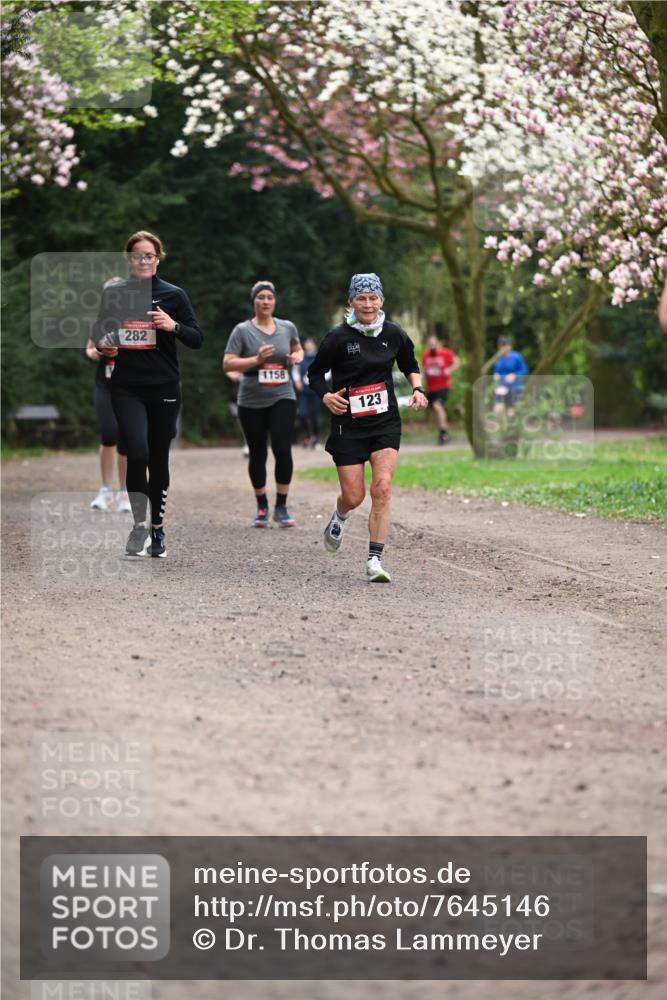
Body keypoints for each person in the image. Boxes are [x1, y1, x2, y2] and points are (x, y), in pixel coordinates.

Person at [307, 272, 428, 583]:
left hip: (385, 422)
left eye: (373, 298)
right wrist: (326, 397)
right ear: (351, 302)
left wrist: (418, 389)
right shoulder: (338, 337)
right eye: (361, 298)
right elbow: (315, 374)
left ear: (381, 300)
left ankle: (374, 560)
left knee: (382, 488)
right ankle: (340, 515)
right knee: (354, 496)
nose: (368, 304)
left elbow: (409, 364)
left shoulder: (394, 333)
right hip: (348, 425)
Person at [93, 230, 203, 558]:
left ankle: (157, 527)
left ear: (158, 259)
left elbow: (197, 338)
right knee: (137, 453)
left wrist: (173, 326)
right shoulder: (115, 294)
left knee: (157, 457)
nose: (143, 261)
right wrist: (104, 344)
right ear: (129, 259)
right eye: (137, 256)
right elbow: (99, 332)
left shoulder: (174, 295)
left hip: (164, 386)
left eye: (149, 255)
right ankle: (139, 524)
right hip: (126, 387)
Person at [223, 281, 303, 527]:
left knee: (282, 448)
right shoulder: (242, 330)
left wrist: (296, 357)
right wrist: (255, 359)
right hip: (251, 399)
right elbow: (227, 363)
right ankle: (262, 505)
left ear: (274, 301)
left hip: (283, 395)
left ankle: (281, 506)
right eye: (261, 297)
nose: (265, 301)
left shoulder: (287, 327)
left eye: (269, 297)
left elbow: (298, 349)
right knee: (258, 453)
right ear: (254, 301)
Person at [86, 277, 131, 513]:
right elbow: (90, 347)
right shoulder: (100, 323)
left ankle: (124, 492)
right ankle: (105, 490)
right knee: (108, 433)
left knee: (126, 438)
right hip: (105, 385)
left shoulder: (135, 322)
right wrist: (95, 352)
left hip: (129, 388)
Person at [421, 332, 460, 445]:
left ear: (438, 343)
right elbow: (423, 370)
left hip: (443, 386)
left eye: (434, 343)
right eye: (430, 344)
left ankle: (444, 434)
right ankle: (443, 433)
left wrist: (449, 370)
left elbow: (457, 362)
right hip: (431, 388)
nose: (432, 345)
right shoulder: (426, 355)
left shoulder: (445, 353)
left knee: (437, 406)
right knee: (436, 411)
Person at [294, 336, 322, 448]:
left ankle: (315, 437)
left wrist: (320, 381)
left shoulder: (320, 356)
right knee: (302, 414)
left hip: (316, 390)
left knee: (315, 416)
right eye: (307, 343)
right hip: (304, 391)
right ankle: (310, 436)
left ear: (315, 345)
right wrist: (297, 381)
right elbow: (295, 370)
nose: (309, 345)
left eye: (311, 343)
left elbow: (328, 371)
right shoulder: (301, 357)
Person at [492, 335, 528, 417]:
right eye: (501, 346)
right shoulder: (498, 359)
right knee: (497, 409)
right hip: (502, 387)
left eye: (505, 345)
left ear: (509, 346)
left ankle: (511, 418)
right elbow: (496, 372)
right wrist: (495, 376)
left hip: (514, 387)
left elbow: (524, 370)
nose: (503, 348)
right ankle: (498, 422)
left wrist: (515, 375)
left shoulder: (516, 357)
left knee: (510, 411)